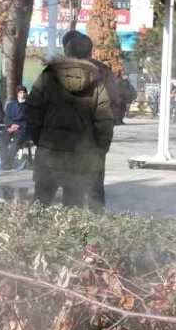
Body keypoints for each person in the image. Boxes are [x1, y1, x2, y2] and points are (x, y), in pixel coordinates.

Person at [26, 30, 114, 210]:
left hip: (49, 154)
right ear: (89, 54)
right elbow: (104, 123)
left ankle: (30, 238)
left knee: (39, 207)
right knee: (73, 211)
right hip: (81, 157)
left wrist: (42, 140)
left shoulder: (47, 77)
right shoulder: (97, 82)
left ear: (66, 51)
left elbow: (32, 112)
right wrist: (98, 150)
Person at [1, 86, 30, 169]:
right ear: (17, 94)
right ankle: (4, 160)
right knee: (1, 138)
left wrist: (18, 126)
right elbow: (6, 118)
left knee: (16, 142)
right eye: (20, 92)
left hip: (23, 130)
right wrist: (10, 126)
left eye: (24, 92)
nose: (23, 94)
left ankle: (7, 163)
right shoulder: (10, 105)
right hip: (11, 127)